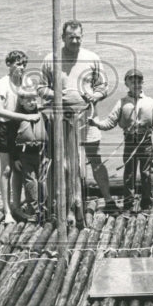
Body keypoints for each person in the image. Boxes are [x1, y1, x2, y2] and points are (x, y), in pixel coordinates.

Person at [39, 20, 116, 212]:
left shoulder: (92, 58)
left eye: (78, 37)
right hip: (61, 120)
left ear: (82, 37)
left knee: (95, 159)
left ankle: (109, 200)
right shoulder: (51, 59)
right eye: (71, 37)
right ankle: (64, 204)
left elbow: (103, 87)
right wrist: (58, 95)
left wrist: (95, 95)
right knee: (63, 162)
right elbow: (41, 88)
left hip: (87, 118)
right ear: (62, 37)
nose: (75, 41)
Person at [89, 69, 153, 213]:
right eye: (132, 81)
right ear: (127, 84)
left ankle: (146, 204)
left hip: (146, 142)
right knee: (129, 174)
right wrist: (96, 124)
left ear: (142, 83)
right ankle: (128, 205)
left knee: (146, 173)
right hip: (129, 142)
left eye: (138, 81)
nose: (136, 84)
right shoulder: (122, 103)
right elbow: (110, 123)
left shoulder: (150, 102)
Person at [0, 50, 40, 223]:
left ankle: (17, 206)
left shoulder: (26, 81)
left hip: (19, 128)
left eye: (24, 65)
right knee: (6, 170)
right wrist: (26, 117)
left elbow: (32, 103)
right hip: (4, 127)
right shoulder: (3, 83)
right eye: (18, 64)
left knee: (20, 168)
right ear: (9, 64)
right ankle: (7, 212)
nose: (21, 68)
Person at [12, 87, 50, 222]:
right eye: (28, 100)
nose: (32, 102)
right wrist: (15, 158)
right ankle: (33, 210)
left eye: (34, 99)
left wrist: (49, 154)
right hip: (24, 155)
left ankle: (44, 208)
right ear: (21, 102)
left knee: (42, 181)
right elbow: (12, 140)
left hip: (42, 154)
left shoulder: (43, 116)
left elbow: (49, 134)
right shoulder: (17, 118)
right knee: (30, 182)